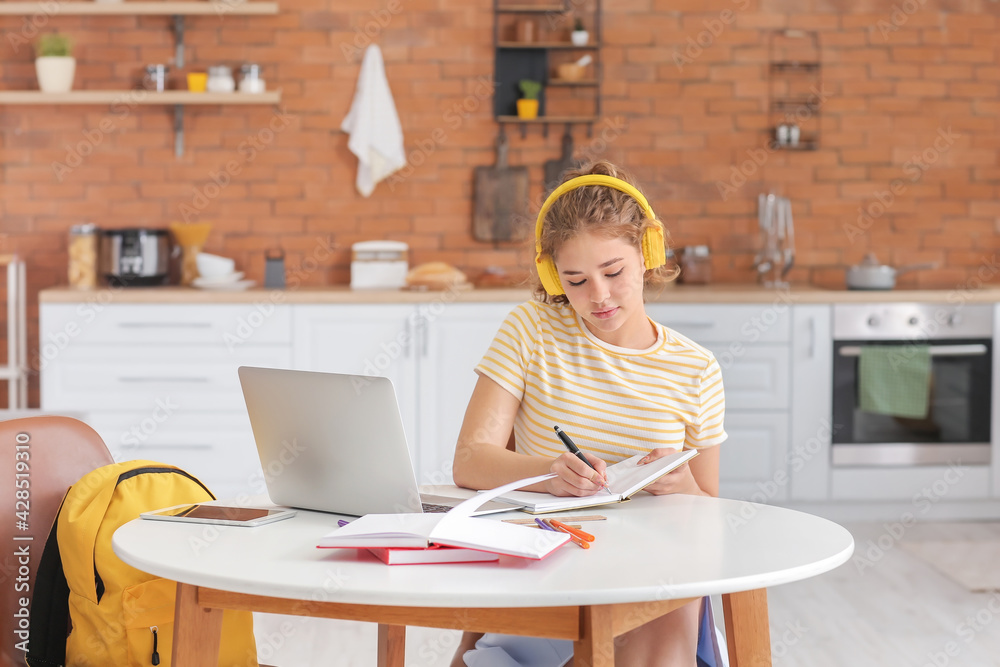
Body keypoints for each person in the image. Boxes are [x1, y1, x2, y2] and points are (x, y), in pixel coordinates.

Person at [449, 161, 727, 667]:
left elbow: (708, 505)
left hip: (653, 564)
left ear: (648, 254)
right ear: (553, 276)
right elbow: (470, 460)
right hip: (549, 557)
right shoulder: (532, 329)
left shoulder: (697, 368)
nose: (597, 295)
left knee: (659, 613)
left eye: (613, 272)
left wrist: (680, 483)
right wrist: (548, 473)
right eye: (575, 280)